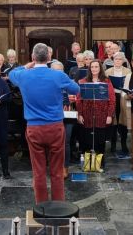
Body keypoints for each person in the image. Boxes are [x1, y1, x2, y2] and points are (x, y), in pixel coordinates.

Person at [9, 43, 79, 203]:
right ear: (49, 58)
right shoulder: (58, 75)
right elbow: (76, 89)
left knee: (38, 172)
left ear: (33, 57)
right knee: (56, 171)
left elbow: (13, 73)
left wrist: (28, 65)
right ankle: (58, 206)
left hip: (34, 128)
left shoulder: (24, 75)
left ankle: (41, 207)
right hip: (55, 127)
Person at [76, 60, 115, 159]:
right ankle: (88, 163)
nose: (94, 69)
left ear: (100, 68)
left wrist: (109, 115)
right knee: (87, 140)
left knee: (100, 140)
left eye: (96, 67)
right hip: (87, 115)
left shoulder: (106, 81)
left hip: (102, 114)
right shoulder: (83, 81)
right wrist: (79, 114)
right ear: (89, 69)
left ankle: (99, 162)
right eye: (92, 67)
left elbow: (112, 99)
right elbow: (78, 100)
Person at [51, 61, 75, 179]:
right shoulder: (47, 83)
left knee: (66, 142)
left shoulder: (69, 82)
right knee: (53, 143)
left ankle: (65, 167)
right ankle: (54, 167)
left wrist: (73, 98)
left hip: (67, 115)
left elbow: (77, 94)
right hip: (52, 117)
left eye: (59, 71)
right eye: (54, 71)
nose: (57, 73)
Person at [105, 52, 131, 153]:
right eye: (116, 59)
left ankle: (124, 144)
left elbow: (129, 85)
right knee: (113, 121)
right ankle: (113, 144)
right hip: (112, 96)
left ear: (123, 61)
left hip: (124, 96)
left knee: (123, 121)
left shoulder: (128, 71)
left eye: (120, 59)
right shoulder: (108, 71)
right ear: (113, 60)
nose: (118, 61)